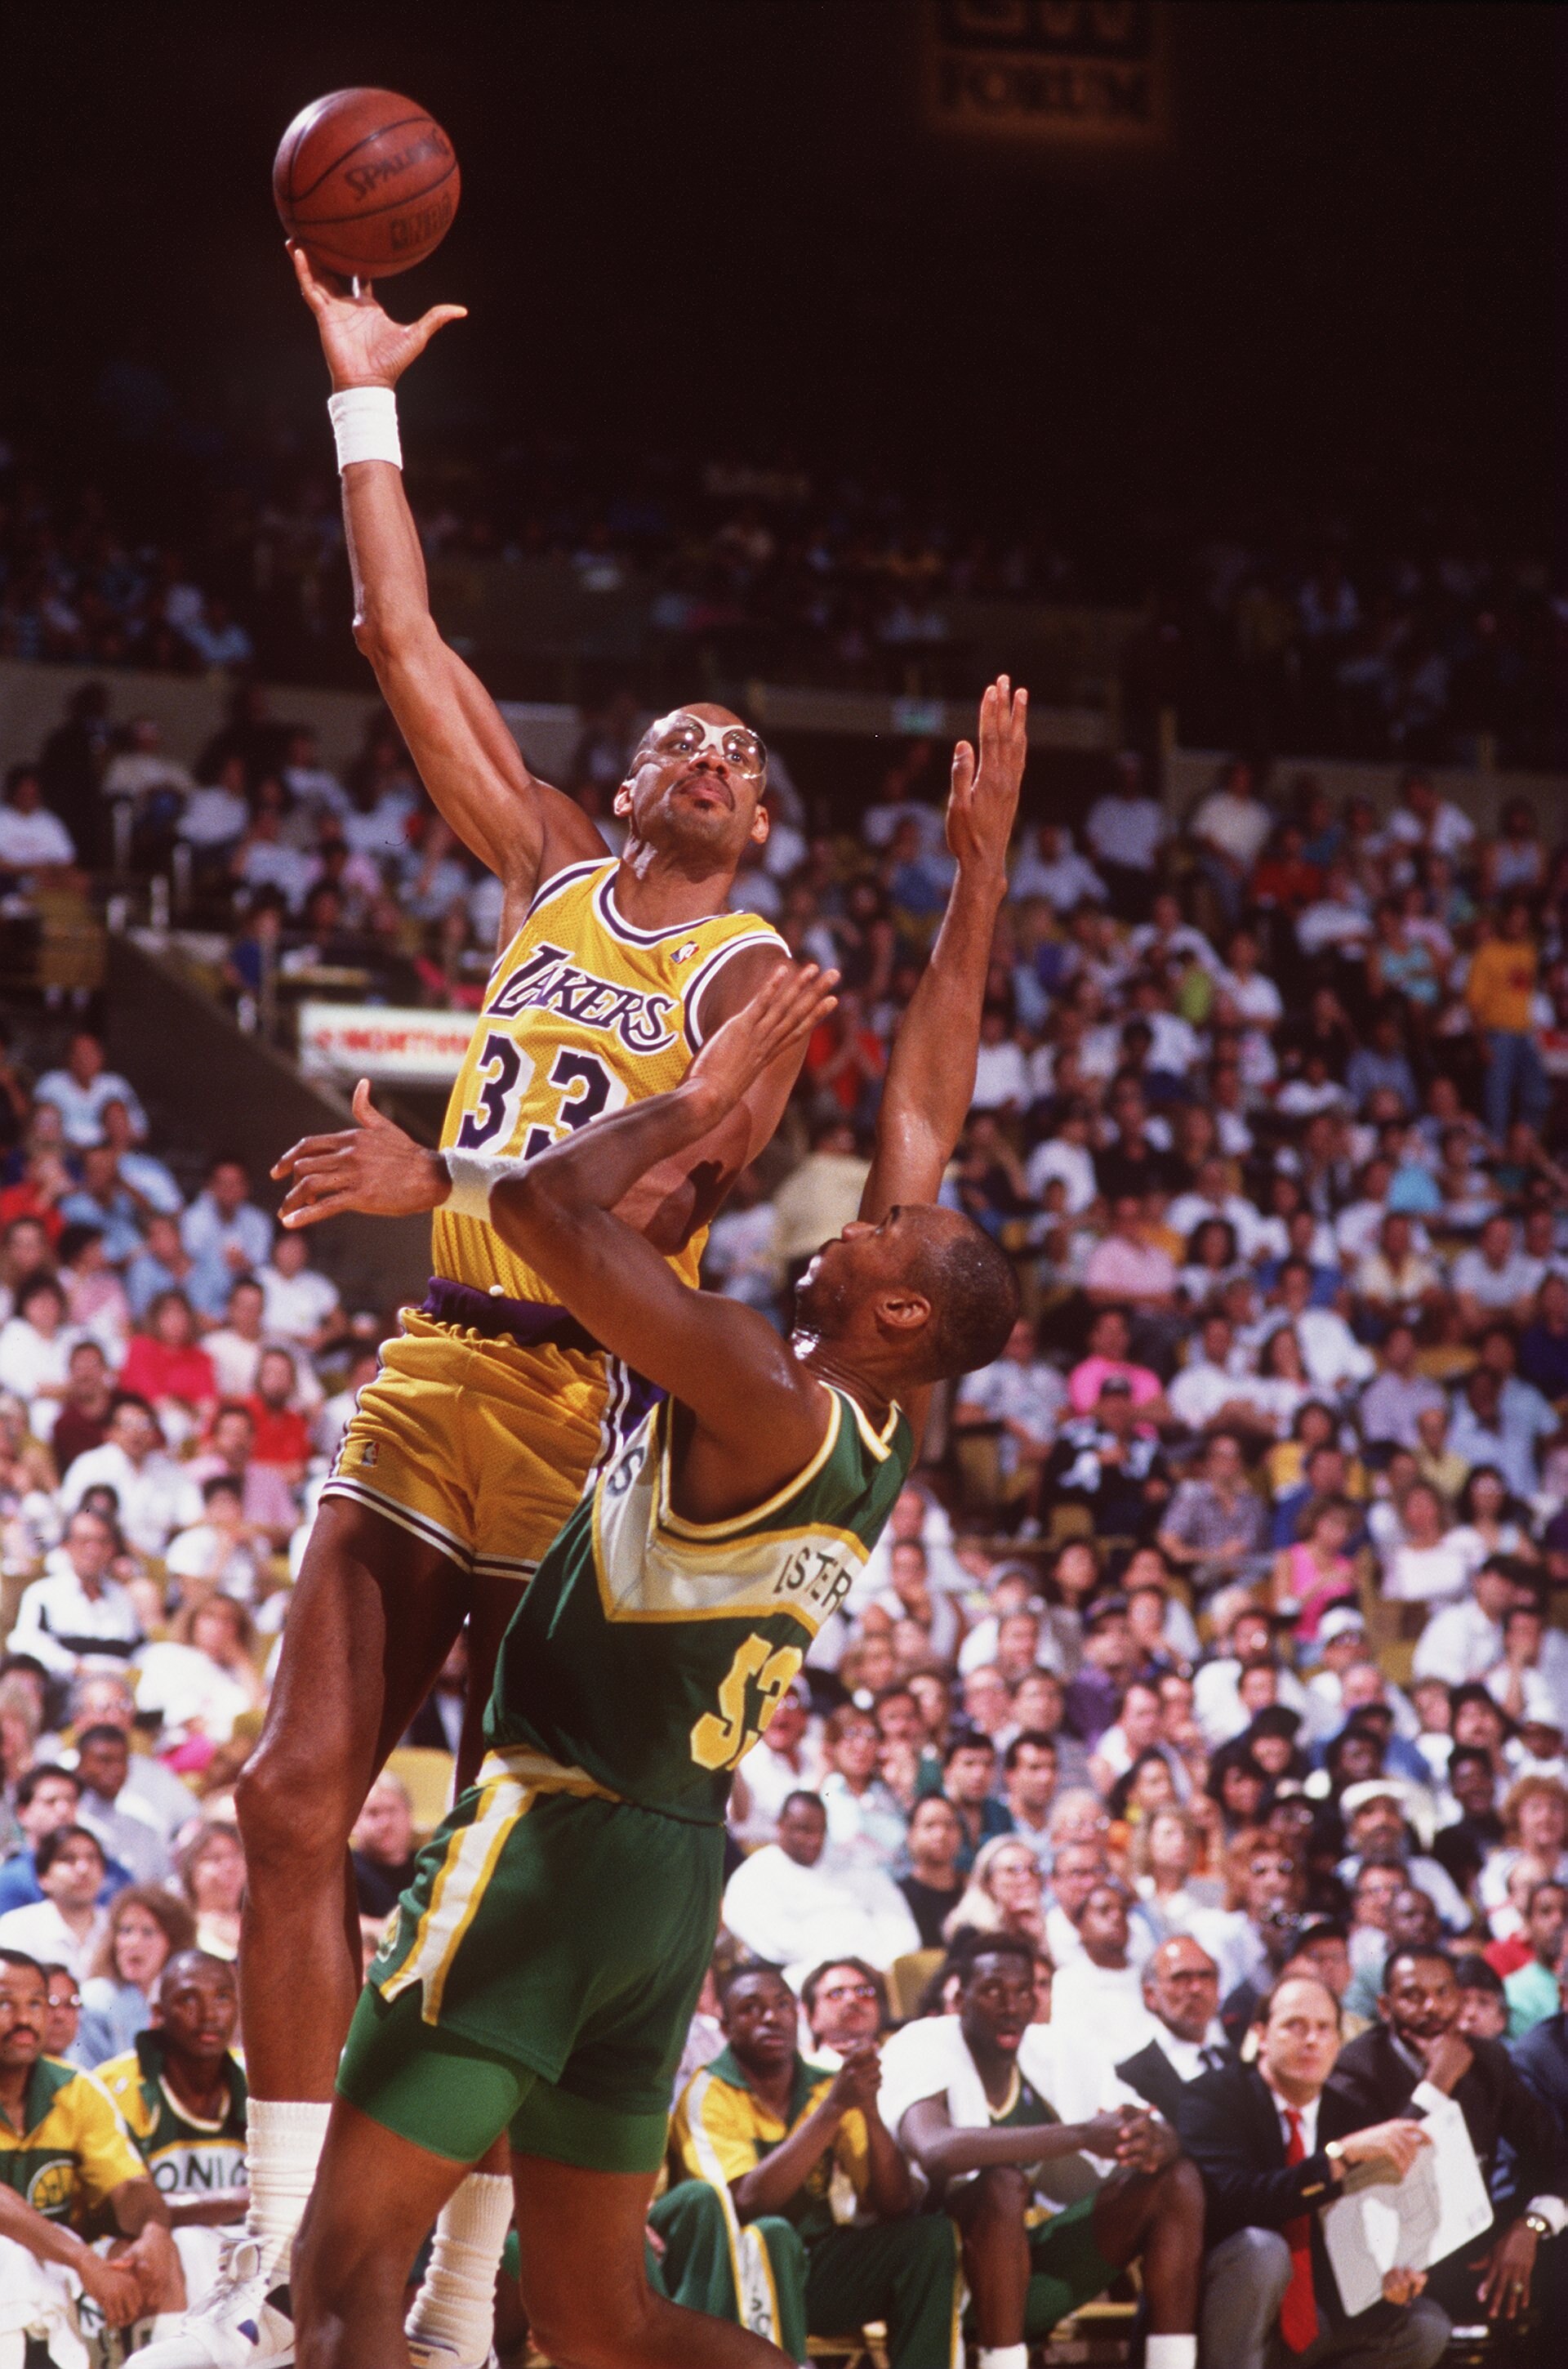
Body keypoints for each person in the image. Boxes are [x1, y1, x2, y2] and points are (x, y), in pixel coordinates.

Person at [183, 243, 844, 2363]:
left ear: (761, 824)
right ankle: (276, 2268)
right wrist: (361, 394)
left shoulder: (753, 981)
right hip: (435, 1373)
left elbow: (634, 1196)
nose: (715, 750)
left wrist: (432, 1177)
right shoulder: (550, 868)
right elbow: (400, 633)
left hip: (588, 1418)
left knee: (516, 1869)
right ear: (631, 779)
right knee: (292, 1802)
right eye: (687, 732)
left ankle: (463, 2292)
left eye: (747, 752)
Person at [248, 675, 1030, 2369]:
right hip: (675, 1867)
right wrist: (979, 883)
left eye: (875, 1251)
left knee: (334, 2284)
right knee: (606, 2323)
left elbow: (541, 1202)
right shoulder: (868, 1417)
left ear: (894, 1320)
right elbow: (926, 1116)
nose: (838, 1230)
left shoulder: (752, 1375)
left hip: (556, 1842)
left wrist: (694, 1099)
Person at [879, 1930, 1204, 2369]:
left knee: (1177, 2178)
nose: (1011, 2007)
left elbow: (1152, 2122)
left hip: (1036, 2264)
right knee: (1001, 2184)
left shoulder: (1056, 2048)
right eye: (993, 1991)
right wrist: (1082, 2135)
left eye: (1023, 1992)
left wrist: (1156, 2141)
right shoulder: (923, 2043)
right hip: (946, 2278)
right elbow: (936, 2149)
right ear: (960, 2000)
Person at [670, 1962, 963, 2367]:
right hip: (735, 2282)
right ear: (725, 2026)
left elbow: (896, 2205)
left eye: (782, 2005)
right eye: (751, 2009)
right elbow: (746, 2204)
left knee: (929, 2237)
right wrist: (833, 2110)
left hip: (818, 2271)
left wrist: (868, 2111)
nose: (771, 2017)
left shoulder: (826, 2085)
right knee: (772, 2234)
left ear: (799, 2016)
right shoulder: (708, 2093)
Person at [1177, 1972, 1450, 2369]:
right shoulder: (1213, 2097)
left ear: (1339, 2043)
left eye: (1325, 2029)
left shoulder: (1353, 2115)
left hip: (1314, 2319)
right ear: (1261, 2036)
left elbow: (1362, 2232)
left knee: (1425, 2326)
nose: (1311, 2040)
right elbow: (1234, 2202)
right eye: (1294, 2026)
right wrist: (1337, 2159)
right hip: (1230, 2310)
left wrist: (1389, 2275)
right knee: (1263, 2249)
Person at [1321, 1943, 1566, 2330]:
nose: (1432, 2008)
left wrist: (1531, 2225)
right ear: (1385, 2007)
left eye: (1443, 1993)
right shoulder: (1355, 2070)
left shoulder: (1489, 2060)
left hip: (1472, 2242)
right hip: (1391, 2258)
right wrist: (1436, 2086)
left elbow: (1556, 2155)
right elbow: (1378, 2179)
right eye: (1412, 1997)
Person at [0, 1947, 182, 2348]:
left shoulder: (77, 2088)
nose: (24, 2019)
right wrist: (83, 2260)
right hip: (33, 2264)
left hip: (55, 2260)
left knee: (156, 2259)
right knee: (9, 2259)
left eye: (36, 2003)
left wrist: (153, 2232)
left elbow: (130, 2185)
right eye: (5, 2003)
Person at [98, 1953, 250, 2327]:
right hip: (134, 2249)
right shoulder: (116, 2086)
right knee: (185, 2244)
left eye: (222, 1998)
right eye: (188, 2000)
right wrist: (228, 2201)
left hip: (241, 2251)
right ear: (157, 2011)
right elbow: (118, 2211)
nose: (209, 2015)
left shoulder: (256, 2080)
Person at [720, 1790, 921, 1987]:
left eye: (821, 1830)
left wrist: (882, 1963)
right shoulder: (754, 1875)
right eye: (804, 1830)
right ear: (780, 1826)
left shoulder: (851, 1864)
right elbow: (782, 1944)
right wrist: (848, 1966)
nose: (814, 1840)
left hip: (878, 1975)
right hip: (804, 1978)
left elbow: (899, 1923)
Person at [1114, 1937, 1235, 2121]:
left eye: (1206, 1976)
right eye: (1181, 1978)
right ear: (1150, 1995)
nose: (1196, 1988)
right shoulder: (1130, 2078)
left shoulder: (1237, 2061)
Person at [76, 1885, 198, 2068]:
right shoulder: (95, 1999)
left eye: (148, 1932)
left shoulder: (184, 2000)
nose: (133, 1943)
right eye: (125, 1931)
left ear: (172, 1943)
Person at [0, 1827, 113, 1981]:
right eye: (68, 1859)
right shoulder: (16, 1928)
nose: (83, 1869)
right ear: (43, 1877)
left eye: (92, 1858)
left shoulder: (117, 1928)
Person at [349, 1771, 420, 1921]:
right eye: (373, 1813)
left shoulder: (428, 1867)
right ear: (353, 1823)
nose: (385, 1823)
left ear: (409, 1815)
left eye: (392, 1810)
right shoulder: (343, 1872)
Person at [898, 1795, 967, 1948]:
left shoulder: (972, 1891)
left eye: (949, 1825)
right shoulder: (897, 1896)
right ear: (910, 1835)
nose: (941, 1835)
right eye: (930, 1826)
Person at [1504, 1879, 1568, 2038]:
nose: (1558, 1921)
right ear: (1528, 1922)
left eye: (1566, 1912)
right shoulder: (1514, 1992)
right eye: (1546, 1912)